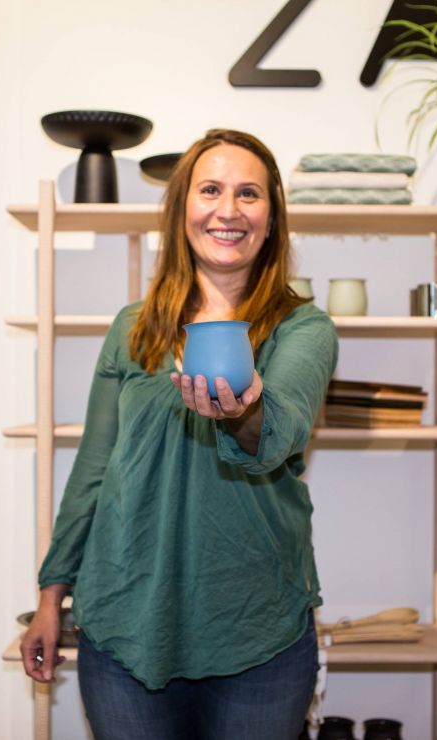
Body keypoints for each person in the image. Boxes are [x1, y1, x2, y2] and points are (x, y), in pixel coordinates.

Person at [20, 128, 339, 740]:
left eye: (249, 194)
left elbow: (283, 431)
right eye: (210, 190)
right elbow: (93, 469)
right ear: (181, 209)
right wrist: (51, 597)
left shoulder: (303, 329)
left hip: (258, 629)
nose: (228, 209)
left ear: (271, 219)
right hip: (125, 620)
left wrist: (244, 411)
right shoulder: (132, 329)